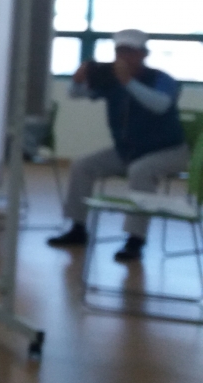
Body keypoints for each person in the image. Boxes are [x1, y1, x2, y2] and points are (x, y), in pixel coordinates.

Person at [48, 28, 188, 262]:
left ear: (144, 54)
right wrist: (77, 80)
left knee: (140, 171)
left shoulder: (161, 79)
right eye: (120, 52)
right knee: (82, 166)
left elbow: (160, 105)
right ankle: (77, 228)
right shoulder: (110, 78)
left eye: (130, 52)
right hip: (128, 151)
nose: (124, 57)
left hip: (169, 151)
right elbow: (76, 94)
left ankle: (135, 239)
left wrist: (128, 82)